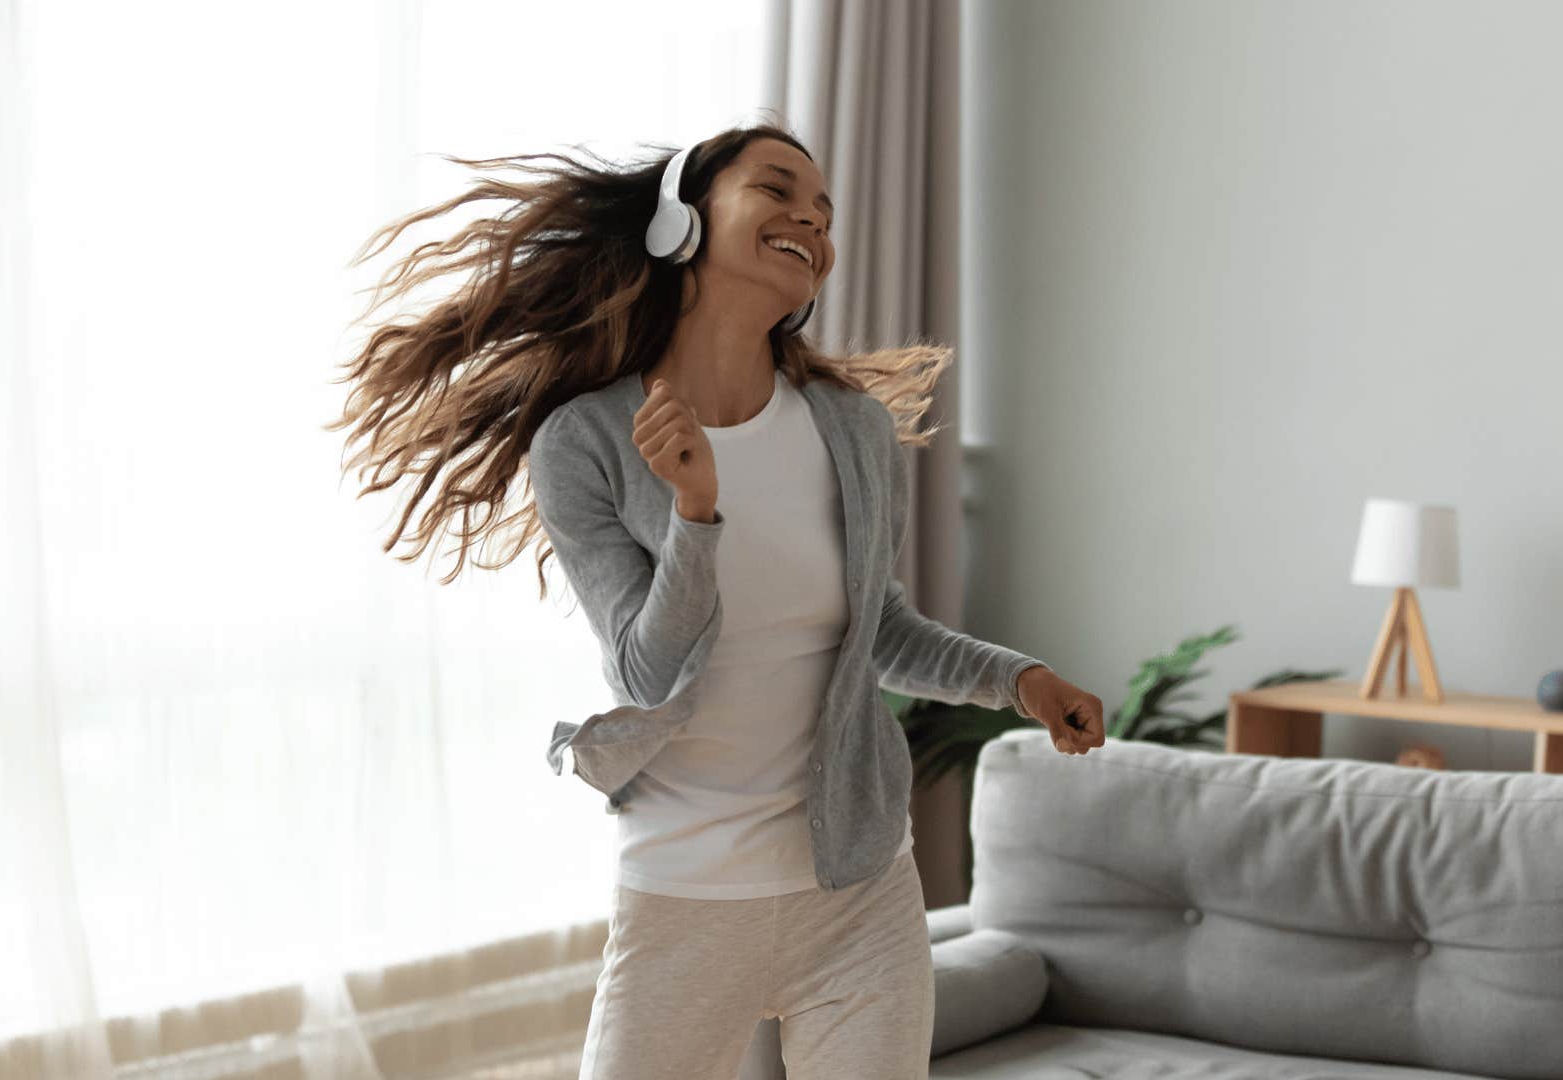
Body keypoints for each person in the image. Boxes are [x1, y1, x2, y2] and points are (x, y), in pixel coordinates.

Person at [328, 122, 1107, 1078]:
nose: (810, 224)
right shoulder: (586, 441)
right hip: (685, 893)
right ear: (678, 225)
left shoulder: (850, 430)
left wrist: (1020, 682)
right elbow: (644, 671)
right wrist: (696, 512)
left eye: (823, 215)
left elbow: (881, 631)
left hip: (858, 892)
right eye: (778, 192)